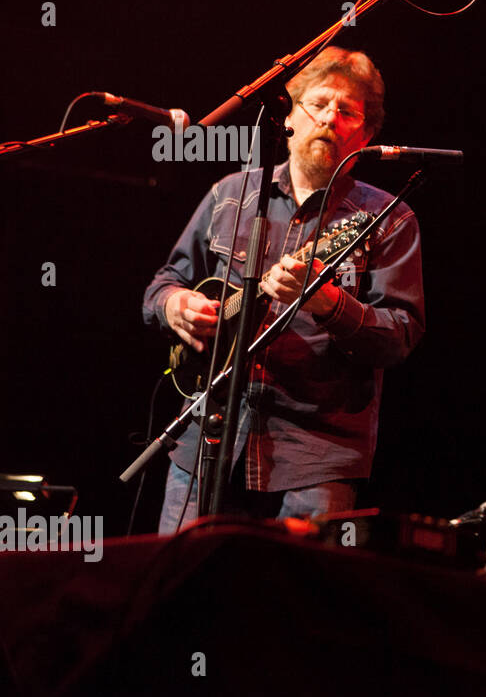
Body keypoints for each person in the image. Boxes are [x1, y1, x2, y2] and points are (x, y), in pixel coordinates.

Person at [144, 47, 425, 533]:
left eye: (348, 111)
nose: (331, 119)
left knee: (289, 606)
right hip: (204, 442)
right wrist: (175, 306)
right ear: (291, 115)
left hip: (314, 459)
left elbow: (400, 335)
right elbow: (162, 285)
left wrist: (331, 304)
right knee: (177, 594)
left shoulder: (389, 219)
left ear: (367, 134)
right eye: (319, 104)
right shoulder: (230, 194)